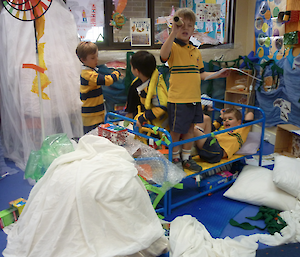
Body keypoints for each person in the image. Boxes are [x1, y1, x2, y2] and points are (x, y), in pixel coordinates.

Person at [160, 8, 229, 171]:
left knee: (190, 129)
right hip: (178, 100)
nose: (185, 28)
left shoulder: (195, 51)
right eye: (182, 25)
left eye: (189, 26)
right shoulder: (174, 47)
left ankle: (186, 158)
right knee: (176, 132)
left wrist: (219, 74)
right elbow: (163, 55)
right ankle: (175, 158)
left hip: (194, 99)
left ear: (193, 30)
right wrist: (173, 32)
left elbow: (201, 74)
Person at [76, 41, 121, 134]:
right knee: (92, 137)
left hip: (96, 112)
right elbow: (106, 81)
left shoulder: (91, 70)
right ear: (83, 59)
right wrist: (116, 73)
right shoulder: (87, 74)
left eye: (97, 56)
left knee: (99, 135)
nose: (96, 60)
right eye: (92, 58)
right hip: (91, 115)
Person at [130, 50, 168, 129]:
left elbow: (162, 106)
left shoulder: (156, 88)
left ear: (137, 71)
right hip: (149, 122)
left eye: (131, 66)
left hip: (159, 127)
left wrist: (144, 117)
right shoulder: (143, 83)